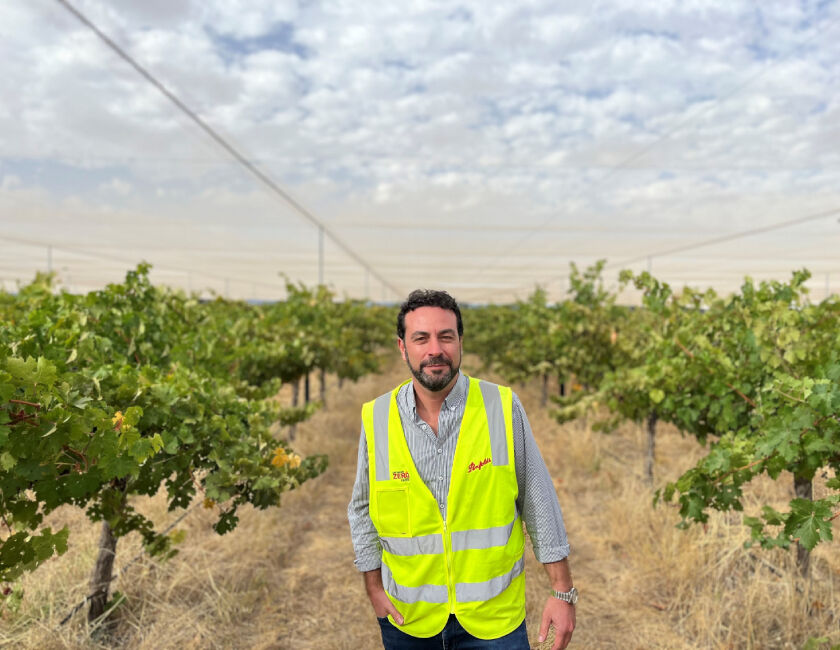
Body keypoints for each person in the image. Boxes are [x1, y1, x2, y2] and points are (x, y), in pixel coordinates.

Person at [348, 289, 576, 650]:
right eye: (421, 338)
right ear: (402, 347)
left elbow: (537, 499)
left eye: (446, 336)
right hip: (409, 620)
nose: (434, 349)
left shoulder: (501, 406)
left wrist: (562, 593)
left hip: (493, 621)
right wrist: (373, 588)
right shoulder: (377, 417)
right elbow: (362, 509)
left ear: (460, 343)